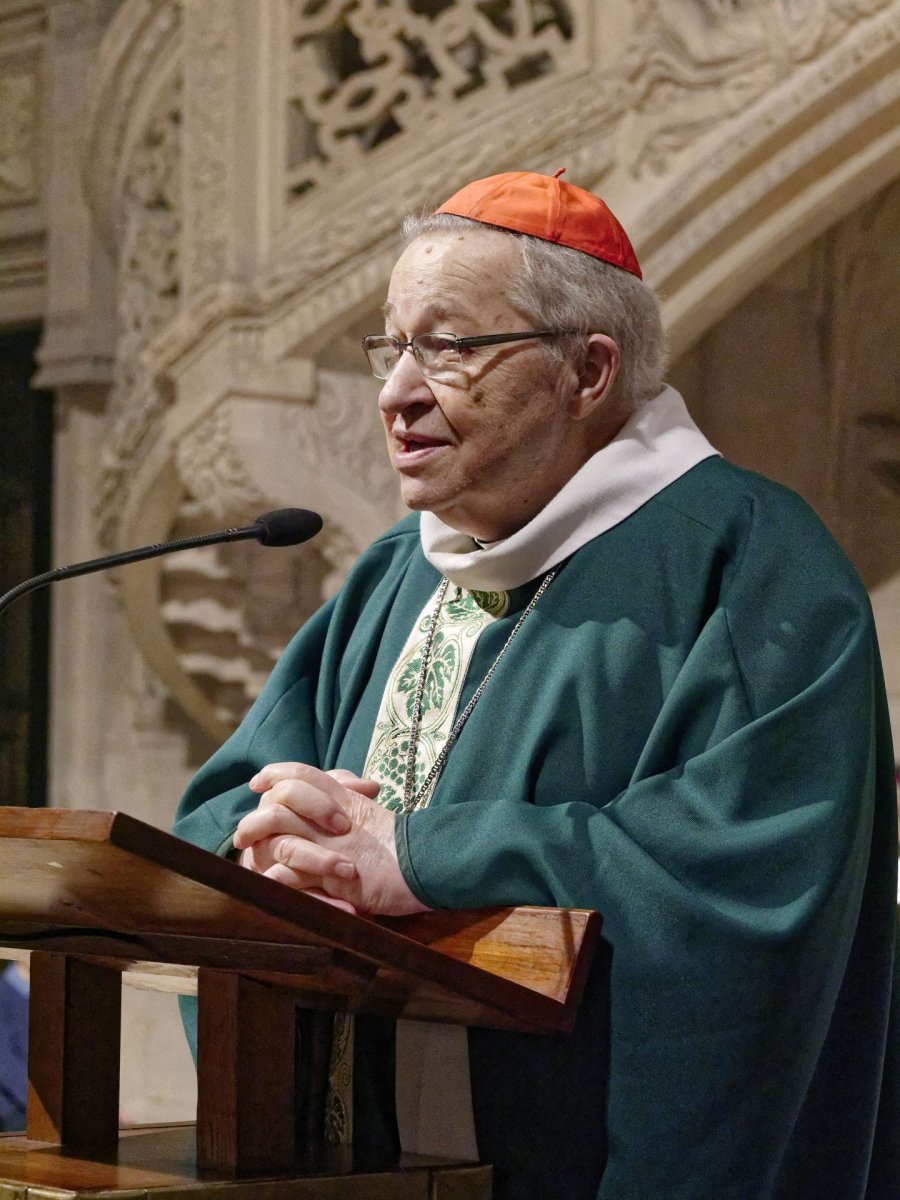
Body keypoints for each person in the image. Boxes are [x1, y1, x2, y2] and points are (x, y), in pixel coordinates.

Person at [174, 170, 900, 1199]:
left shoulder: (748, 566)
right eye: (391, 346)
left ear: (589, 371)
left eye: (450, 347)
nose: (395, 392)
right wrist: (280, 840)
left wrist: (421, 857)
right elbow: (209, 820)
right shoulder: (399, 571)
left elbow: (743, 887)